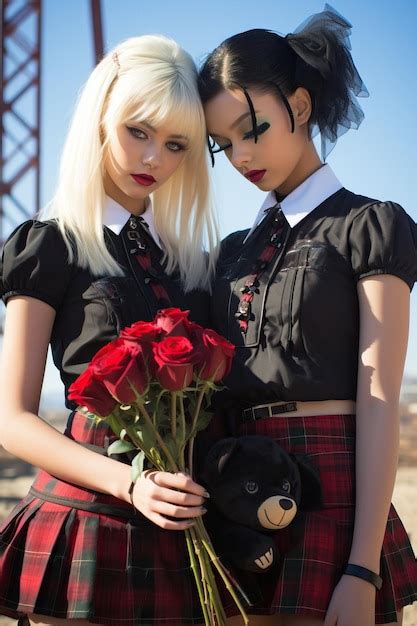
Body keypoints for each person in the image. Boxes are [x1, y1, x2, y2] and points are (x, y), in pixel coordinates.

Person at [198, 5, 417, 626]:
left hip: (335, 492)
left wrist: (362, 565)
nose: (242, 156)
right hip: (239, 496)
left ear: (299, 105)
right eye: (225, 143)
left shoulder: (368, 226)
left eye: (253, 128)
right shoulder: (230, 253)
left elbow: (378, 398)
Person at [0, 35, 219, 626]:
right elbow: (11, 420)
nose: (153, 158)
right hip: (91, 513)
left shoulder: (191, 264)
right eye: (138, 131)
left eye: (175, 144)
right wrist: (130, 483)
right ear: (101, 117)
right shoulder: (50, 244)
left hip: (185, 521)